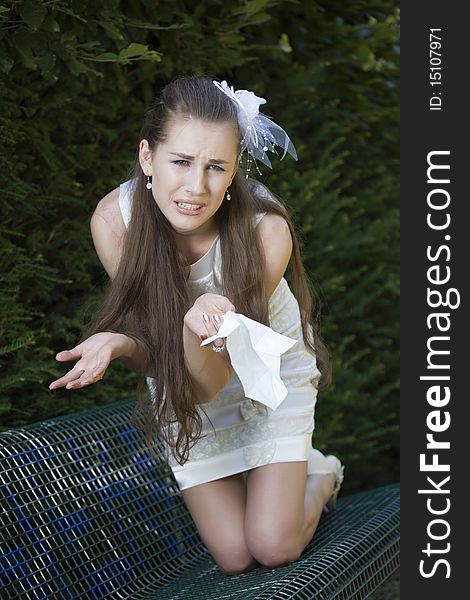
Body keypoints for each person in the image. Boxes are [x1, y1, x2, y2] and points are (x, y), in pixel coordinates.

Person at [49, 76, 344, 575]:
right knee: (234, 556)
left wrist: (192, 326)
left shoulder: (265, 234)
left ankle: (321, 474)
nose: (196, 187)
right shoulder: (114, 223)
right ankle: (277, 483)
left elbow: (220, 378)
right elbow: (178, 373)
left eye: (216, 167)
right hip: (183, 383)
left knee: (271, 546)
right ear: (147, 158)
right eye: (180, 161)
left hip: (266, 380)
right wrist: (121, 341)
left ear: (234, 174)